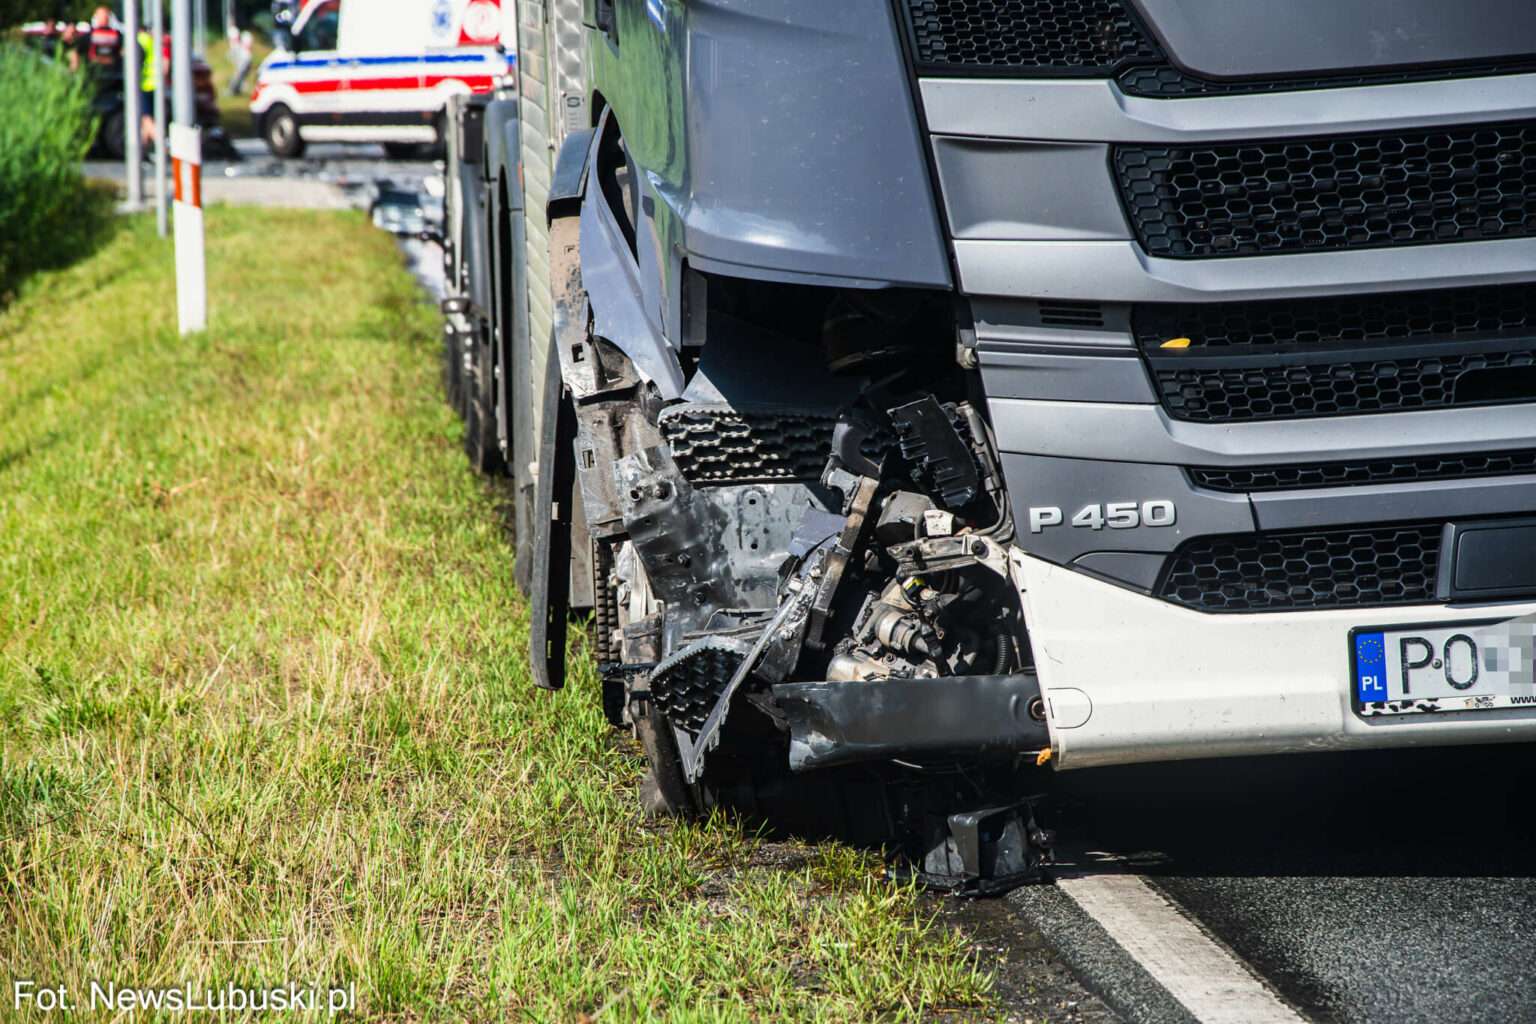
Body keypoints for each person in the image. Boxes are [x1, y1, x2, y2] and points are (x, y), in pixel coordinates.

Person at [228, 29, 253, 95]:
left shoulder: (243, 51)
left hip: (244, 62)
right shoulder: (241, 49)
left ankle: (234, 90)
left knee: (238, 77)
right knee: (239, 77)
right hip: (244, 62)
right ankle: (236, 89)